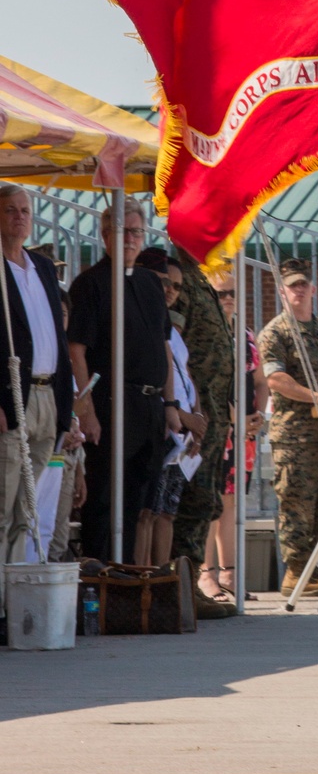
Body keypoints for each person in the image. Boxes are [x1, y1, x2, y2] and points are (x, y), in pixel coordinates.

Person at [67, 202, 180, 564]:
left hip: (149, 407)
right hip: (111, 404)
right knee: (104, 501)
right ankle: (100, 587)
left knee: (139, 502)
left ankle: (128, 585)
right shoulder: (90, 284)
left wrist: (171, 405)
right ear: (105, 235)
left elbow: (164, 347)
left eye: (136, 232)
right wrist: (86, 409)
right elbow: (76, 350)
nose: (130, 239)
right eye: (122, 231)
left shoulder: (150, 283)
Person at [0, 184, 75, 625]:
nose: (19, 217)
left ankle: (15, 605)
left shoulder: (42, 267)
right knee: (3, 503)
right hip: (14, 397)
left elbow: (58, 336)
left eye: (25, 210)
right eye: (10, 210)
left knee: (28, 510)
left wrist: (68, 404)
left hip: (49, 396)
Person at [257, 259, 318, 599]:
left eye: (303, 285)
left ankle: (312, 569)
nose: (298, 290)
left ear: (313, 290)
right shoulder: (275, 333)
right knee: (297, 501)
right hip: (295, 434)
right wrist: (317, 397)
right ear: (282, 292)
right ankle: (296, 572)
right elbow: (275, 379)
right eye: (292, 286)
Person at [169, 247, 237, 619]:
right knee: (192, 501)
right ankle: (180, 587)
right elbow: (175, 346)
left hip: (211, 414)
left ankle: (188, 584)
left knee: (205, 499)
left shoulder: (201, 282)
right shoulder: (182, 281)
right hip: (194, 413)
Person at [132, 248, 208, 567]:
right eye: (165, 282)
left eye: (176, 286)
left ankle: (162, 580)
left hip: (184, 434)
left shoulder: (174, 331)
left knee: (167, 513)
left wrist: (198, 419)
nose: (170, 291)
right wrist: (183, 416)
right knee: (147, 512)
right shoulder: (147, 322)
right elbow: (160, 378)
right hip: (166, 425)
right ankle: (142, 579)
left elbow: (186, 375)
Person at [201, 272, 267, 602]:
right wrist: (230, 417)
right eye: (221, 293)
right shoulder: (206, 334)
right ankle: (206, 575)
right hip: (217, 430)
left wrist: (259, 415)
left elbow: (260, 381)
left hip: (245, 433)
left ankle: (229, 574)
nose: (227, 298)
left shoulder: (245, 336)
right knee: (212, 502)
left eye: (232, 293)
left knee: (231, 502)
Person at [49, 289, 87, 563]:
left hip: (69, 458)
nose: (59, 317)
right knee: (42, 528)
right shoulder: (41, 354)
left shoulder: (66, 355)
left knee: (60, 532)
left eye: (63, 313)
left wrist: (80, 471)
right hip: (47, 456)